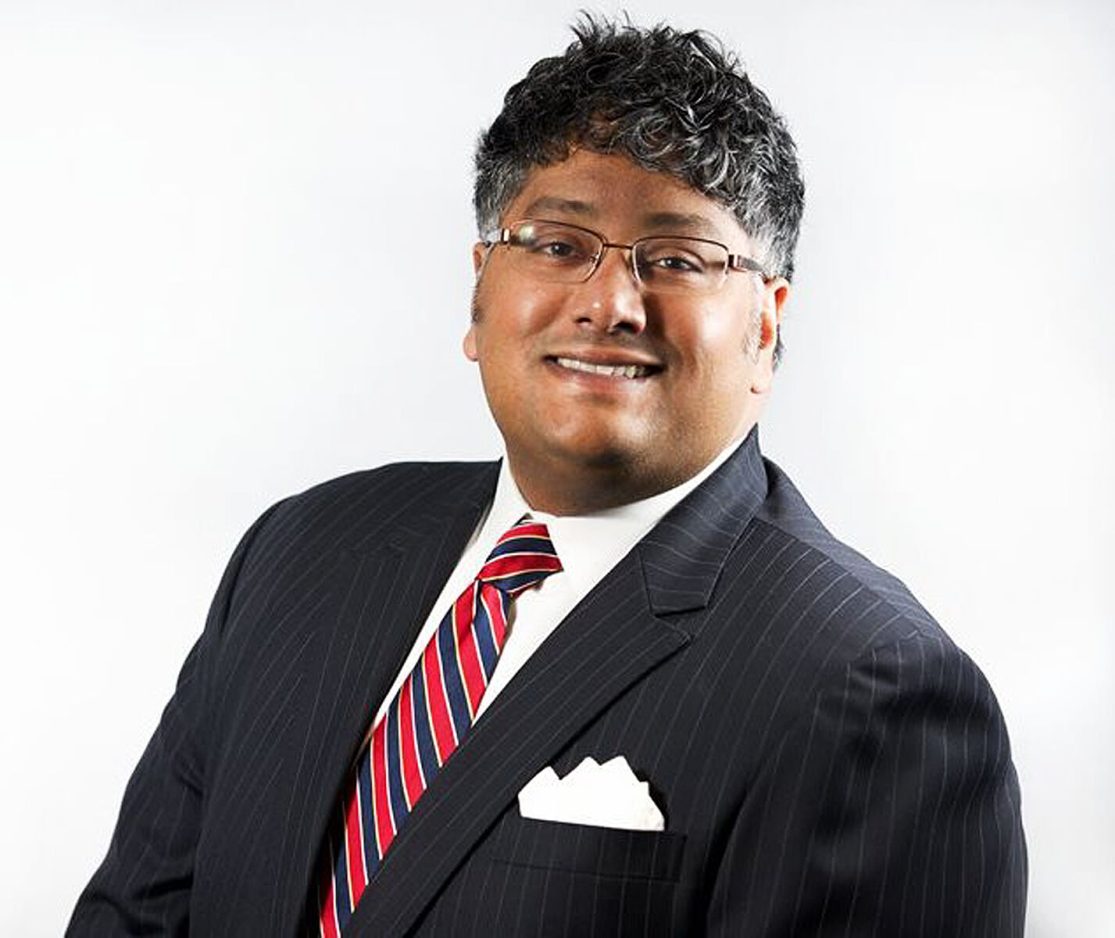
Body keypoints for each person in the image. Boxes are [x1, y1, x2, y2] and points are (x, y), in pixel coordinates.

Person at [68, 17, 1027, 937]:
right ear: (478, 293)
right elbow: (138, 915)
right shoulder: (303, 549)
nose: (608, 304)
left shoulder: (872, 684)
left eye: (676, 258)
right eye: (558, 245)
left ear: (765, 325)